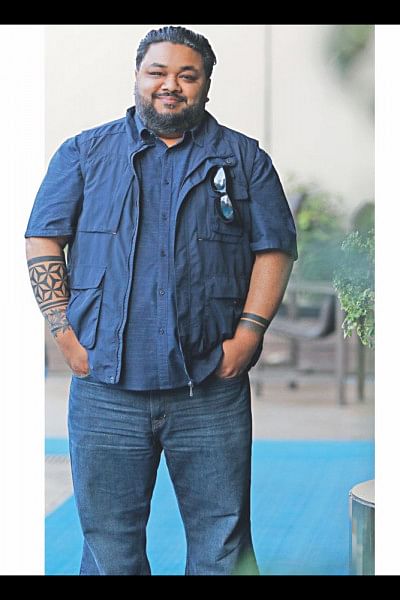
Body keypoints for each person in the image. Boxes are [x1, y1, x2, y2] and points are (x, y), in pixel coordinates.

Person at [25, 26, 298, 576]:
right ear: (138, 76)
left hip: (210, 386)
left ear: (205, 85)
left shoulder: (243, 159)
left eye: (186, 75)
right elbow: (43, 237)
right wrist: (62, 331)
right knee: (110, 549)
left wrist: (249, 334)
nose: (170, 84)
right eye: (158, 72)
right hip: (106, 387)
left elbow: (275, 248)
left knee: (222, 545)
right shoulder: (84, 153)